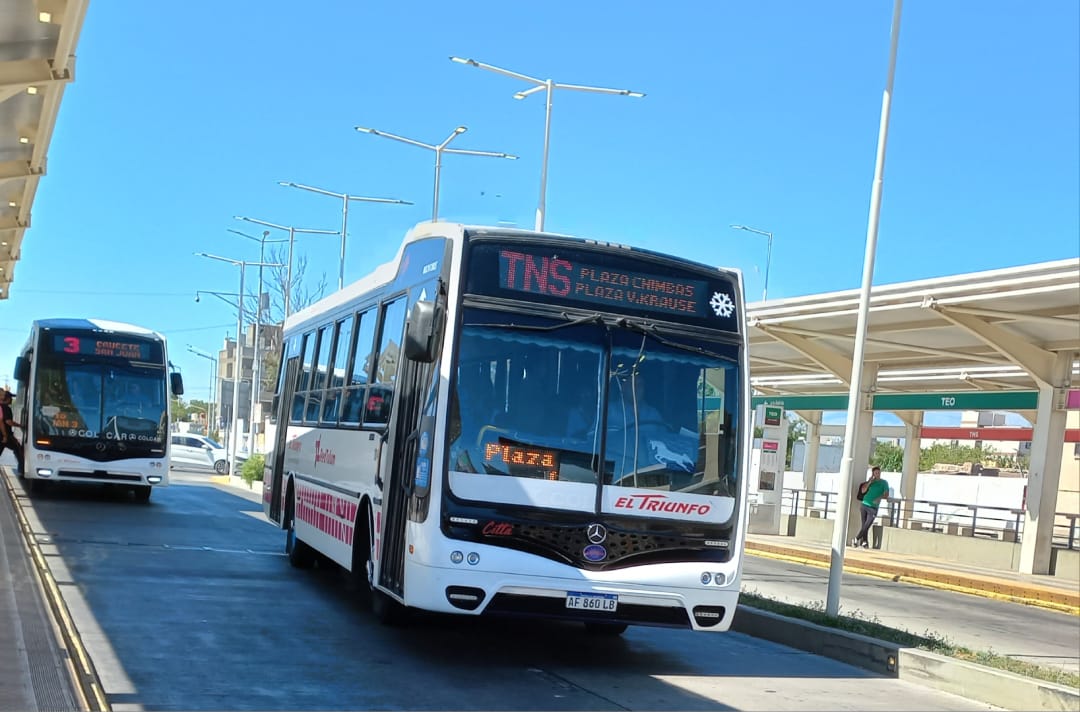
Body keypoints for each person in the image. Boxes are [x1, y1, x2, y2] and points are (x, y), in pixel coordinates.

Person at [853, 466, 890, 549]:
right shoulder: (870, 482)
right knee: (864, 524)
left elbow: (886, 494)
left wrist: (879, 498)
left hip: (873, 507)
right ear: (873, 474)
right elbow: (863, 490)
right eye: (876, 473)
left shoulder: (884, 483)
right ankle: (865, 542)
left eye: (879, 473)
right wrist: (870, 481)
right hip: (864, 504)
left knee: (867, 524)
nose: (877, 474)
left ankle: (857, 538)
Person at [0, 390, 24, 474]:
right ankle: (22, 469)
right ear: (6, 398)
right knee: (18, 449)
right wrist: (20, 425)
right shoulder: (6, 408)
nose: (11, 400)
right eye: (10, 398)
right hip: (5, 435)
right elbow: (8, 422)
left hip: (4, 435)